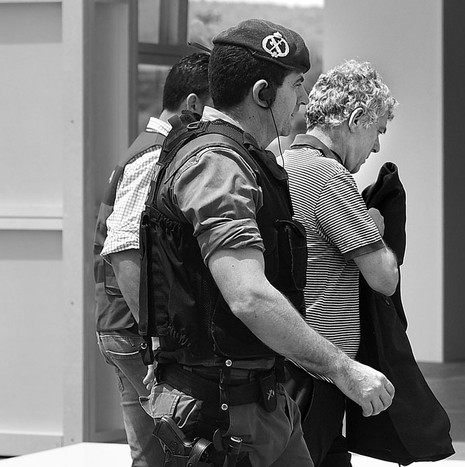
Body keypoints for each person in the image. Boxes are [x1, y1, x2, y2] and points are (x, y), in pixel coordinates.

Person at [138, 20, 395, 467]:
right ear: (262, 93)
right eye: (297, 86)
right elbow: (249, 296)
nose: (304, 101)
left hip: (260, 400)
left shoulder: (247, 159)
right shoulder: (217, 166)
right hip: (224, 413)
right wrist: (342, 368)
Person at [93, 52, 210, 467]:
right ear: (193, 105)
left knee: (151, 457)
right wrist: (154, 340)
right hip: (133, 333)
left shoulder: (148, 149)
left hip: (121, 328)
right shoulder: (153, 155)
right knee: (179, 451)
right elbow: (123, 247)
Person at [281, 60, 399, 466]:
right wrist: (378, 228)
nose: (378, 148)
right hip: (318, 372)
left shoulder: (280, 163)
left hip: (292, 363)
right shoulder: (328, 176)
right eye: (377, 131)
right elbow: (384, 279)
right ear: (355, 119)